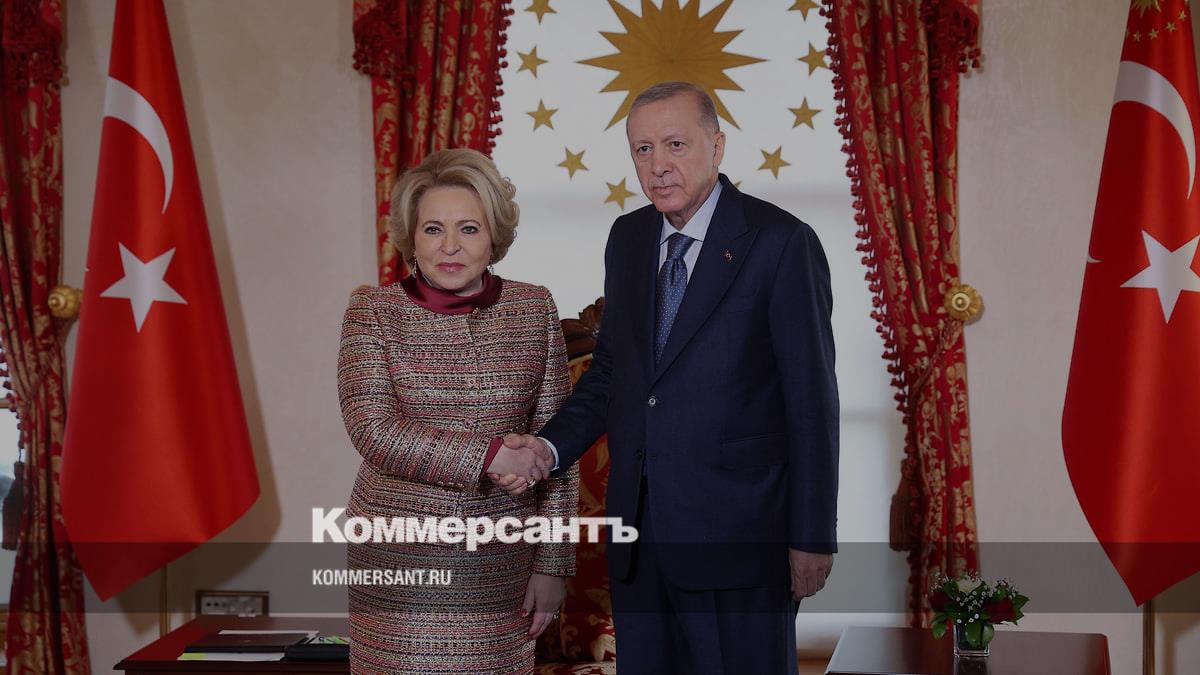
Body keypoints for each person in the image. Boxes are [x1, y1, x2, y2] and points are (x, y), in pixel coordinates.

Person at [493, 82, 839, 674]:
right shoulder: (628, 239)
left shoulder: (781, 242)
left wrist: (812, 536)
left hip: (740, 542)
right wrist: (546, 449)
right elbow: (611, 375)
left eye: (675, 144)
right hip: (641, 542)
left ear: (717, 146)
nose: (658, 165)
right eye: (643, 149)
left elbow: (812, 403)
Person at [338, 148, 578, 674]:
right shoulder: (372, 311)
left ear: (494, 236)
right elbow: (373, 430)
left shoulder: (534, 307)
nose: (450, 246)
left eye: (469, 228)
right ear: (411, 237)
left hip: (505, 561)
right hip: (399, 558)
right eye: (433, 229)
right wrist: (493, 455)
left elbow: (558, 440)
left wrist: (554, 564)